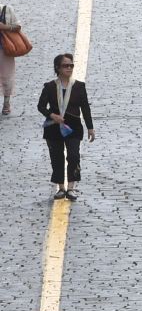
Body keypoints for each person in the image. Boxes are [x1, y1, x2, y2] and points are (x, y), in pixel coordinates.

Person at [37, 52, 95, 200]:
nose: (69, 68)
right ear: (58, 67)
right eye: (65, 65)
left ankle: (71, 187)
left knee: (74, 156)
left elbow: (85, 108)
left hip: (73, 126)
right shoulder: (50, 87)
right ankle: (61, 188)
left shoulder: (79, 86)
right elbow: (41, 106)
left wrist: (90, 127)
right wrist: (51, 115)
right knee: (56, 157)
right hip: (54, 128)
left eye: (71, 65)